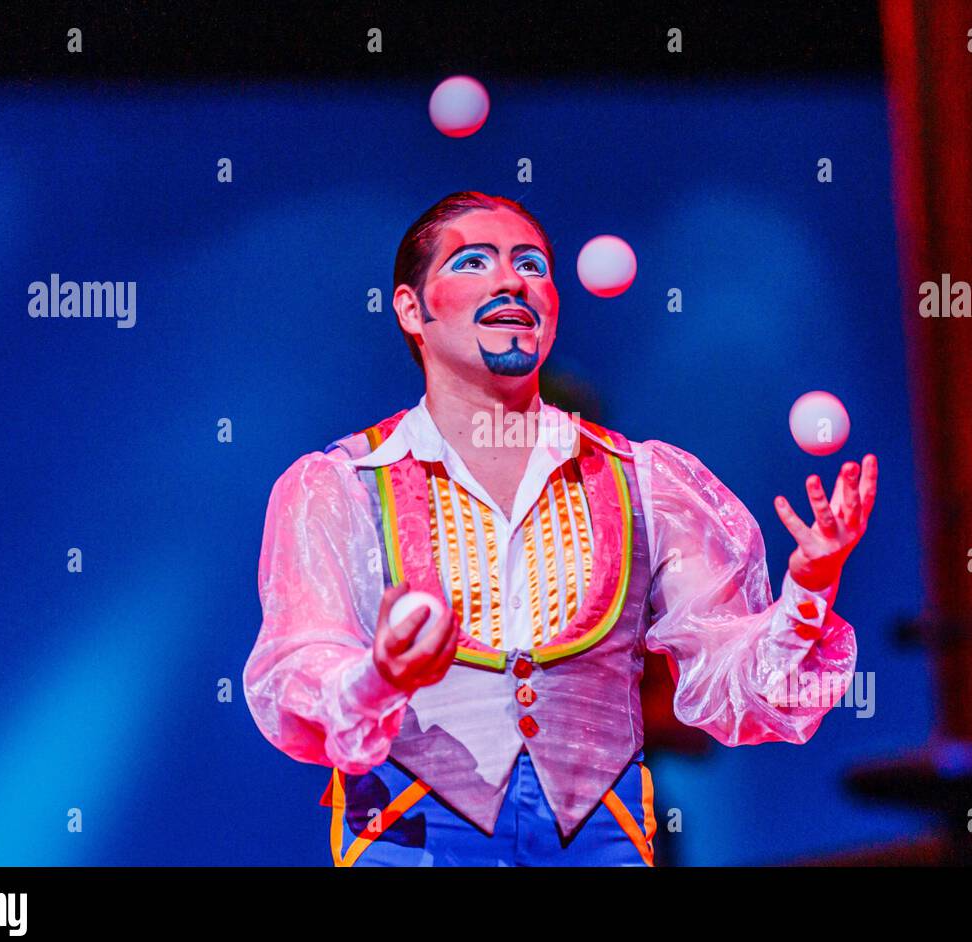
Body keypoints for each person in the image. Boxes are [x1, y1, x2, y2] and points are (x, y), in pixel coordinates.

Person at [242, 191, 878, 866]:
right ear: (410, 308)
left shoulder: (647, 481)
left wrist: (808, 589)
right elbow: (295, 678)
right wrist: (379, 675)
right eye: (473, 261)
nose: (512, 279)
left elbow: (738, 687)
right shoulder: (339, 485)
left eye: (532, 264)